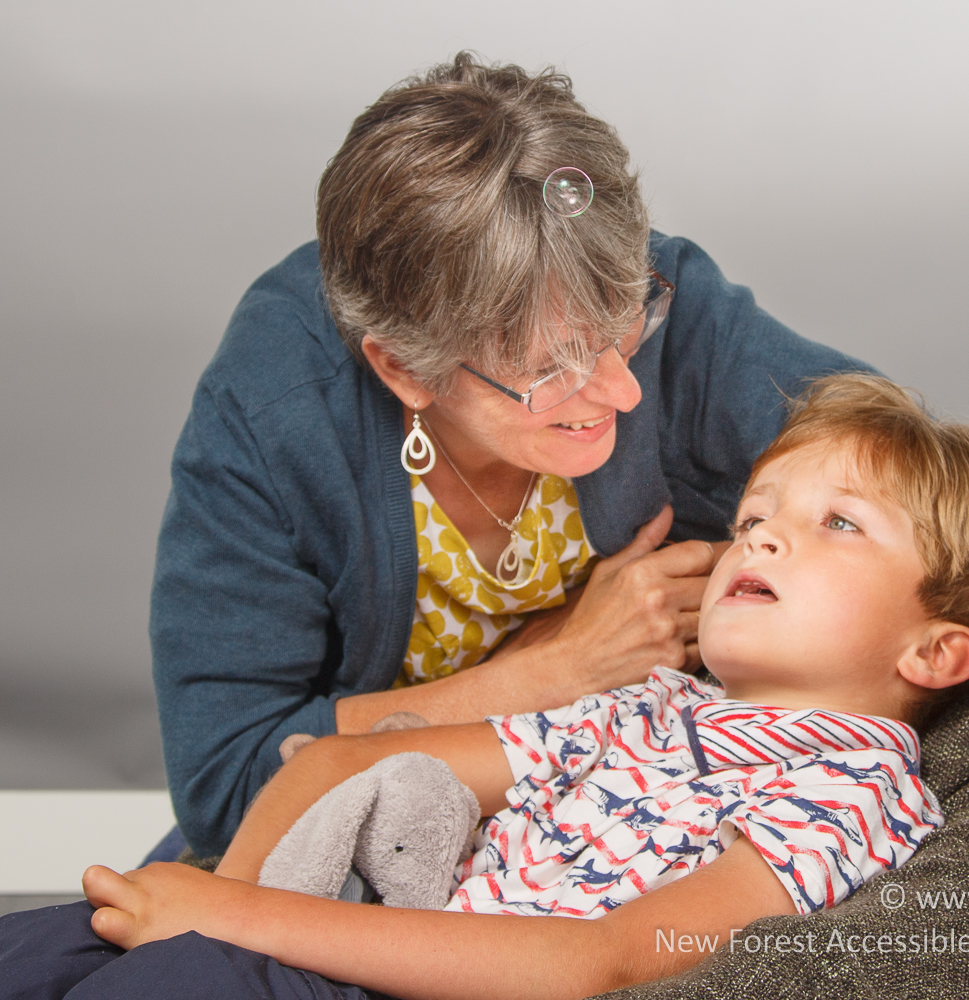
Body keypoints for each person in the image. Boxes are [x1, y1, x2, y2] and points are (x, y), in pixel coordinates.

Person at [0, 374, 969, 1000]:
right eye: (755, 514)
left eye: (835, 522)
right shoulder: (655, 709)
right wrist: (218, 907)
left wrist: (234, 924)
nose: (766, 533)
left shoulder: (851, 791)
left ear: (933, 653)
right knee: (51, 940)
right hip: (336, 930)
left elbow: (597, 959)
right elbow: (338, 762)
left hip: (395, 982)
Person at [148, 51, 874, 861]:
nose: (624, 393)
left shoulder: (643, 284)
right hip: (374, 846)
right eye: (553, 368)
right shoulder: (274, 410)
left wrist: (730, 595)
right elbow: (227, 784)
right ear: (404, 368)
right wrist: (555, 668)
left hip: (626, 808)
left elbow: (905, 481)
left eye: (625, 328)